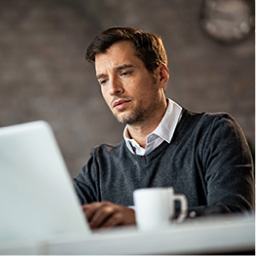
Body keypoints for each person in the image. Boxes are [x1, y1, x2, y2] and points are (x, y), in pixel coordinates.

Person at [73, 27, 254, 229]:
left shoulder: (215, 133)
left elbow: (234, 217)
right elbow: (59, 221)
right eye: (103, 80)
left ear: (160, 75)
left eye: (124, 72)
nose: (113, 89)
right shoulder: (100, 165)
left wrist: (140, 219)